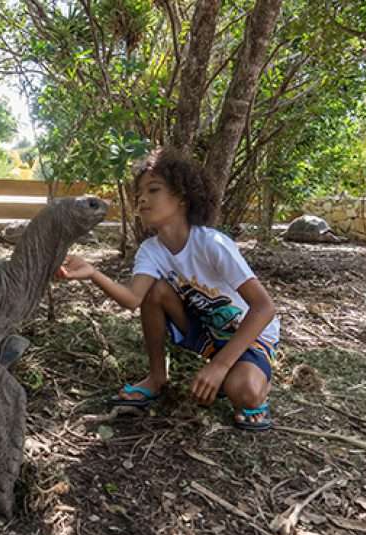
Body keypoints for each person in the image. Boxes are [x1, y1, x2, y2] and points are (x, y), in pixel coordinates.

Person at [56, 147, 280, 431]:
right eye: (139, 194)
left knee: (244, 392)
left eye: (154, 190)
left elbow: (264, 308)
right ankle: (156, 377)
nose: (143, 199)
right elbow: (133, 300)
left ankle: (255, 374)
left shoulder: (212, 244)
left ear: (182, 198)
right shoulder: (151, 251)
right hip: (207, 330)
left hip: (249, 334)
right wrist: (92, 273)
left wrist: (220, 366)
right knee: (155, 290)